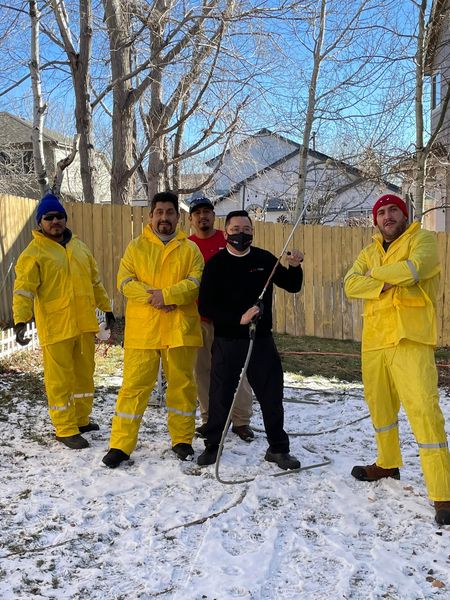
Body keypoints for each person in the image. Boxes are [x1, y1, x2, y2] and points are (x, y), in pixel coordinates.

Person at [344, 194, 450, 525]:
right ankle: (387, 461)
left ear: (404, 214)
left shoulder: (423, 239)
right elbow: (349, 283)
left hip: (410, 338)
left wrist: (374, 276)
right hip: (375, 340)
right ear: (375, 220)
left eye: (393, 211)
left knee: (424, 412)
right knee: (381, 408)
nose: (387, 216)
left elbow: (414, 270)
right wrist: (387, 280)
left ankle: (442, 492)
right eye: (381, 213)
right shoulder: (369, 249)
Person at [102, 191, 204, 468]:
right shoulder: (136, 247)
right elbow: (124, 282)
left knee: (182, 386)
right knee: (134, 388)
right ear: (151, 216)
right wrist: (155, 297)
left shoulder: (190, 250)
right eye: (159, 212)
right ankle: (120, 445)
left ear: (178, 217)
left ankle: (182, 440)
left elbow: (195, 283)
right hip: (143, 331)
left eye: (169, 212)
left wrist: (168, 295)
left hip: (179, 329)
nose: (164, 218)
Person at [197, 209, 303, 470]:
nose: (241, 235)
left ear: (252, 233)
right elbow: (206, 306)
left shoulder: (264, 259)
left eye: (246, 230)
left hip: (261, 340)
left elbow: (291, 285)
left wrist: (295, 266)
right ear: (226, 232)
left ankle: (278, 448)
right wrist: (237, 318)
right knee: (220, 394)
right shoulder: (216, 264)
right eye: (235, 230)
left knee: (271, 395)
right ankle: (213, 445)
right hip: (227, 340)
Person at [13, 192, 114, 450]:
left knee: (84, 376)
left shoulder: (80, 247)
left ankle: (80, 420)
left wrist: (106, 308)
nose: (55, 221)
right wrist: (21, 320)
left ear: (65, 219)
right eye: (49, 217)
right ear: (40, 222)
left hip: (84, 324)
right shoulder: (33, 252)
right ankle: (65, 428)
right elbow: (23, 290)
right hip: (56, 327)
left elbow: (95, 281)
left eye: (59, 216)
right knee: (59, 380)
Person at [188, 195, 254, 442]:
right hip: (201, 319)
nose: (202, 216)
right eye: (197, 213)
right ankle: (210, 419)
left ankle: (241, 420)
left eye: (207, 211)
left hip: (232, 322)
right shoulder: (187, 246)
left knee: (239, 371)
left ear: (214, 216)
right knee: (203, 371)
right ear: (191, 218)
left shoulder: (227, 241)